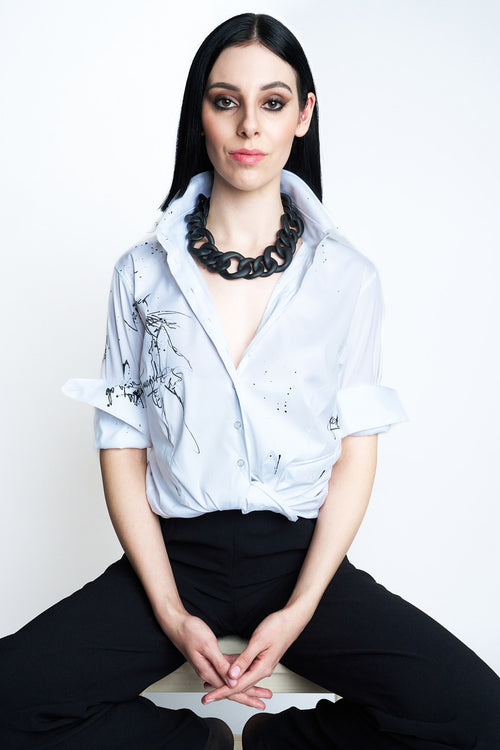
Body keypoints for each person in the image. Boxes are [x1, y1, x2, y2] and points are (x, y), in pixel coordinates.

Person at [1, 12, 499, 750]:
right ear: (200, 114)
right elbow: (122, 447)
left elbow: (356, 454)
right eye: (225, 100)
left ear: (303, 115)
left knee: (478, 716)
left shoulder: (347, 277)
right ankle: (198, 746)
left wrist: (301, 609)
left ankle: (271, 747)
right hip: (175, 557)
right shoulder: (141, 272)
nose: (248, 126)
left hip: (297, 560)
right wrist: (169, 610)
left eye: (272, 102)